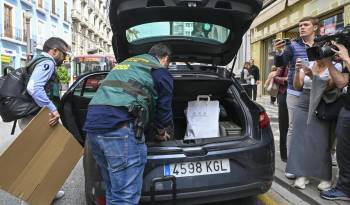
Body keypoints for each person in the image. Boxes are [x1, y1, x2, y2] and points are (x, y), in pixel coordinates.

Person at [83, 43, 174, 205]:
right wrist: (161, 133)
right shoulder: (159, 71)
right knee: (125, 196)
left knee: (113, 188)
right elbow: (164, 110)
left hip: (93, 128)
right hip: (119, 129)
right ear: (165, 58)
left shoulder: (127, 64)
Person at [19, 37, 69, 204]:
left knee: (43, 157)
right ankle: (33, 197)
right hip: (37, 118)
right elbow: (33, 88)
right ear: (54, 51)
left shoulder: (36, 60)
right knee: (41, 159)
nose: (64, 58)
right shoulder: (47, 63)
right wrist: (52, 109)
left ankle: (47, 191)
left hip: (33, 116)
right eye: (63, 54)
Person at [286, 55, 342, 191]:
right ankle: (301, 174)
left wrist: (312, 76)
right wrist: (295, 69)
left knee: (321, 142)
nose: (316, 54)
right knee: (299, 139)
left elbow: (329, 87)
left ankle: (325, 177)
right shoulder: (308, 63)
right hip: (304, 100)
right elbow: (298, 85)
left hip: (321, 102)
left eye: (319, 49)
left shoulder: (335, 66)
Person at [274, 16, 319, 179]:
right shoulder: (292, 46)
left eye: (306, 25)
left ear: (315, 27)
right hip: (294, 92)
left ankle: (311, 162)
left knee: (314, 127)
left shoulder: (322, 45)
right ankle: (292, 164)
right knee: (294, 127)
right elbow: (281, 63)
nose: (302, 28)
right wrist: (279, 52)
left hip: (316, 91)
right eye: (300, 25)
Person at [321, 42, 350, 201]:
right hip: (347, 109)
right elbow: (341, 82)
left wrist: (346, 58)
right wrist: (328, 63)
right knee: (343, 153)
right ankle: (344, 189)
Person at [273, 65, 289, 162]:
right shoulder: (285, 63)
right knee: (284, 126)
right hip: (284, 95)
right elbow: (275, 77)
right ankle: (284, 154)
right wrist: (285, 79)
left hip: (298, 97)